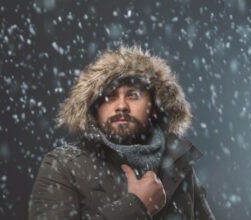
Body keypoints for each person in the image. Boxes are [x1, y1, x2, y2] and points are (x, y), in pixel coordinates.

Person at [28, 46, 215, 219]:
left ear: (155, 107)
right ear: (95, 108)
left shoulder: (177, 164)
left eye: (133, 95)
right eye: (109, 96)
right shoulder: (62, 165)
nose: (121, 106)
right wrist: (136, 206)